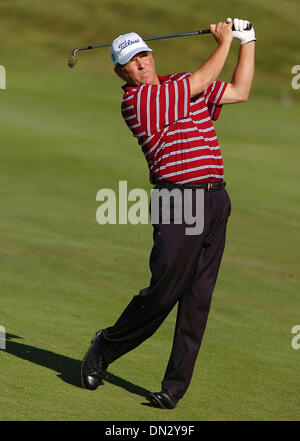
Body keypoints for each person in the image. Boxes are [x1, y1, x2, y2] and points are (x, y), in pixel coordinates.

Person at [81, 18, 256, 409]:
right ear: (119, 72)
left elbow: (240, 91)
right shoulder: (137, 101)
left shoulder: (178, 85)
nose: (141, 63)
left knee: (198, 299)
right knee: (164, 294)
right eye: (131, 60)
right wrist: (225, 41)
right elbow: (198, 81)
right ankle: (105, 346)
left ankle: (173, 388)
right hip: (177, 201)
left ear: (151, 54)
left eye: (143, 53)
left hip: (215, 201)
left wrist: (249, 40)